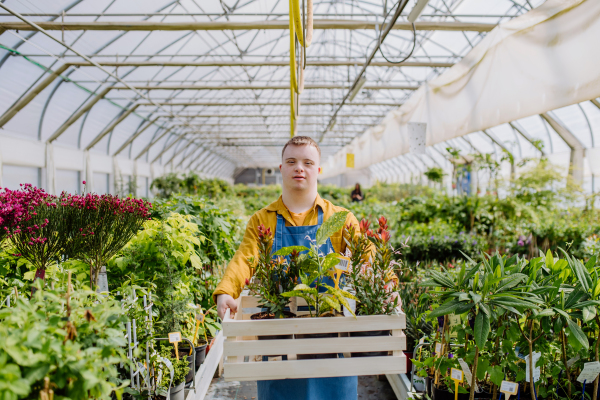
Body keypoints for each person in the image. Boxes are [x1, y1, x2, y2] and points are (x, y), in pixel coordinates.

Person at [214, 136, 360, 400]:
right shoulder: (264, 219)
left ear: (318, 170)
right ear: (281, 168)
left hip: (331, 335)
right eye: (291, 161)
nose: (299, 168)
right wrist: (227, 290)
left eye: (307, 162)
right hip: (280, 336)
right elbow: (245, 257)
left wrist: (388, 284)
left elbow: (367, 256)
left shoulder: (341, 219)